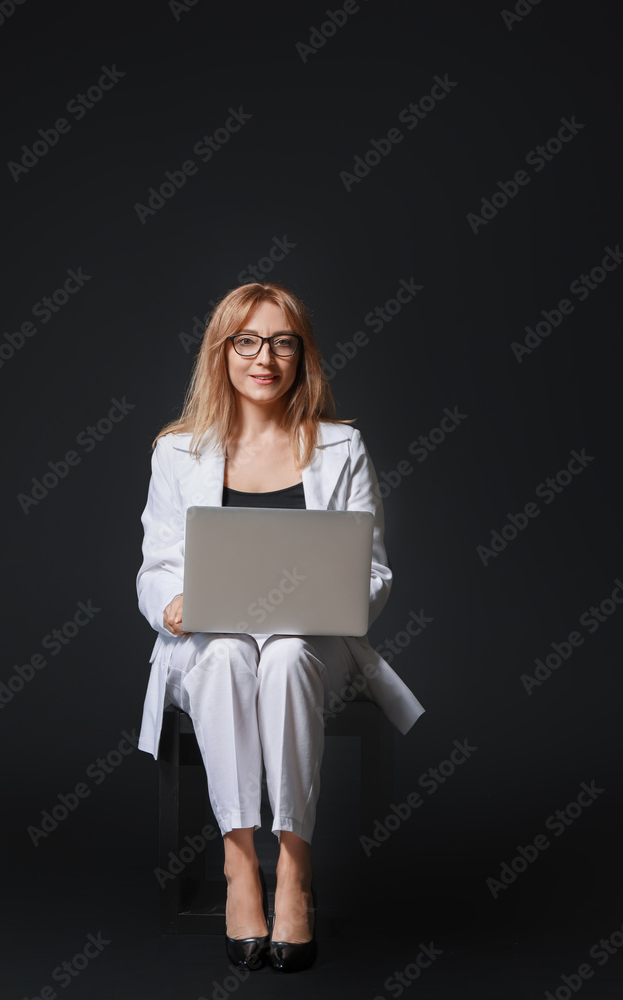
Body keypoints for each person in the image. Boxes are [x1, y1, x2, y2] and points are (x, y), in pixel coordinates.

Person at [135, 282, 425, 973]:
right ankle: (241, 863)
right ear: (222, 352)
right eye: (246, 341)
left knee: (288, 652)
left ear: (301, 355)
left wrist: (338, 603)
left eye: (281, 341)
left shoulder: (340, 446)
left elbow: (374, 570)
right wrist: (171, 604)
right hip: (212, 638)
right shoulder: (178, 451)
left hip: (311, 641)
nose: (264, 357)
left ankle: (292, 867)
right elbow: (155, 566)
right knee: (226, 656)